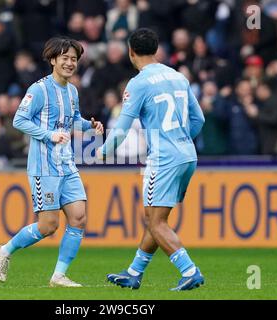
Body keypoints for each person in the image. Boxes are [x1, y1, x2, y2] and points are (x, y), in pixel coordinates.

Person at [97, 28, 205, 291]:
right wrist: (180, 140)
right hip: (188, 155)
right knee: (154, 219)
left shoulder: (138, 83)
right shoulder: (178, 77)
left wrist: (102, 152)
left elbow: (121, 129)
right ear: (156, 50)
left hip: (164, 159)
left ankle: (189, 271)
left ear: (131, 52)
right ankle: (134, 272)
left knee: (156, 222)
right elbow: (199, 119)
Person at [0, 37, 104, 287]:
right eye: (65, 58)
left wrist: (90, 125)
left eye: (74, 59)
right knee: (48, 225)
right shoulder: (38, 90)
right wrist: (49, 135)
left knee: (78, 218)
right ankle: (5, 250)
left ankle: (59, 275)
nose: (70, 63)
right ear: (53, 60)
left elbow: (72, 119)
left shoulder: (72, 90)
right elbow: (19, 121)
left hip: (67, 164)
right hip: (44, 167)